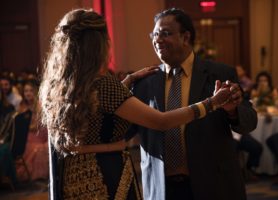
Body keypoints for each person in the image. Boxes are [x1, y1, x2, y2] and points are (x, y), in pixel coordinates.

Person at [39, 9, 232, 200]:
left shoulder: (59, 85)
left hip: (73, 177)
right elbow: (161, 121)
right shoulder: (105, 84)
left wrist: (126, 82)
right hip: (106, 177)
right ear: (99, 46)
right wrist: (210, 103)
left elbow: (95, 109)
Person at [126, 8, 257, 200]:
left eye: (165, 33)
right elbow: (125, 131)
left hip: (212, 185)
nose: (157, 40)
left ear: (185, 37)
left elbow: (249, 122)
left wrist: (233, 111)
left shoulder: (219, 74)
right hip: (160, 188)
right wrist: (119, 91)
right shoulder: (145, 82)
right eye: (154, 34)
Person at [15, 81, 49, 181]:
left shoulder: (40, 105)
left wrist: (28, 127)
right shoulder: (22, 105)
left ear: (35, 92)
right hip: (28, 133)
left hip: (40, 133)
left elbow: (38, 125)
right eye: (26, 91)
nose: (28, 93)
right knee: (23, 143)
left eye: (31, 90)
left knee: (35, 148)